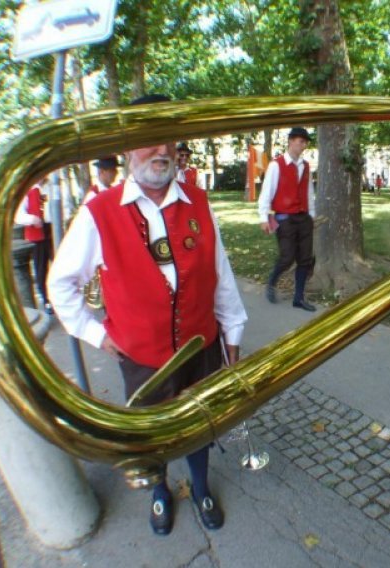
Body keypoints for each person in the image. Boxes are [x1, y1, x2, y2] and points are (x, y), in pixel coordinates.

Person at [47, 94, 248, 536]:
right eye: (147, 139)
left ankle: (199, 486)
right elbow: (61, 285)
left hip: (202, 347)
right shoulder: (98, 213)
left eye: (167, 139)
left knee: (199, 426)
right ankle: (159, 494)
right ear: (125, 148)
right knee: (151, 438)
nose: (160, 150)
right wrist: (99, 335)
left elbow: (222, 275)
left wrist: (231, 336)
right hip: (142, 360)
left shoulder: (198, 201)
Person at [257, 126, 317, 311]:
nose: (303, 145)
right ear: (291, 141)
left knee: (305, 259)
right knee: (287, 257)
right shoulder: (277, 165)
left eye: (305, 142)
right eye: (300, 141)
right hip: (284, 218)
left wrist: (312, 215)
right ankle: (272, 282)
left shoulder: (305, 166)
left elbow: (309, 191)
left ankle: (298, 298)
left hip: (303, 217)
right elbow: (267, 191)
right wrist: (263, 216)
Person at [15, 176, 54, 314]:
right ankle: (47, 300)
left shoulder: (50, 187)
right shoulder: (28, 191)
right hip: (37, 234)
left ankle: (58, 298)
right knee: (41, 269)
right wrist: (32, 219)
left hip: (52, 231)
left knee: (56, 266)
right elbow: (19, 215)